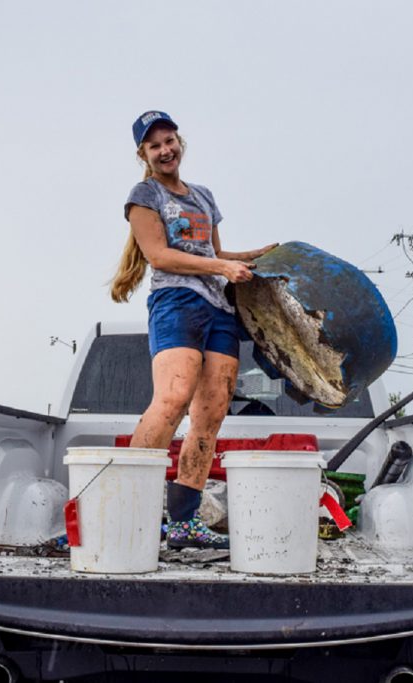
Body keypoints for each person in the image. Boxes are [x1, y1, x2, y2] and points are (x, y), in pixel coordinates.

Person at [111, 110, 276, 550]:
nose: (165, 150)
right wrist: (222, 266)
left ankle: (183, 524)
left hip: (218, 306)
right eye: (154, 145)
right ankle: (124, 507)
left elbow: (213, 252)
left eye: (170, 140)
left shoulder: (202, 196)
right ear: (143, 154)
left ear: (180, 143)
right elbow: (161, 256)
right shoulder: (144, 195)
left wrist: (256, 256)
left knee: (211, 413)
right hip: (177, 302)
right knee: (173, 397)